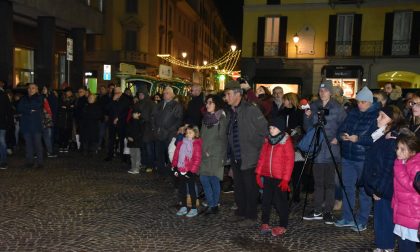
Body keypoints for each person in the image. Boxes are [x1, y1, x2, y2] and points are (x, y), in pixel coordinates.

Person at [334, 86, 380, 231]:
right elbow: (341, 129)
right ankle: (348, 218)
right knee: (347, 188)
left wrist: (358, 139)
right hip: (348, 156)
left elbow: (374, 138)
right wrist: (342, 136)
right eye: (359, 101)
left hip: (363, 158)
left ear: (370, 102)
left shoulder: (376, 116)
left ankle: (362, 220)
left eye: (363, 102)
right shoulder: (353, 112)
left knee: (364, 191)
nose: (360, 104)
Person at [224, 80, 268, 227]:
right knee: (239, 186)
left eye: (228, 94)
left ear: (238, 94)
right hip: (236, 155)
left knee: (250, 187)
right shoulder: (231, 112)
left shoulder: (250, 109)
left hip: (249, 156)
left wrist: (255, 148)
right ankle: (241, 211)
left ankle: (251, 215)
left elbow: (264, 130)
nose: (226, 98)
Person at [363, 106, 406, 252]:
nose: (377, 118)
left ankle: (387, 246)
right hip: (378, 183)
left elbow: (388, 167)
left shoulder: (392, 138)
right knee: (380, 216)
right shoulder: (382, 134)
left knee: (385, 217)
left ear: (391, 120)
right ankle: (382, 244)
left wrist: (379, 190)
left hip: (386, 186)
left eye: (382, 116)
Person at [303, 80, 346, 224]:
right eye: (321, 90)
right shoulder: (314, 106)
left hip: (332, 149)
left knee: (330, 183)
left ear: (330, 92)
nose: (323, 93)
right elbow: (307, 127)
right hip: (317, 148)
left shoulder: (338, 108)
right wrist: (307, 116)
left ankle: (328, 211)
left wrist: (339, 138)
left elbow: (345, 126)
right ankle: (317, 210)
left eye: (325, 90)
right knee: (318, 182)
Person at [256, 116, 294, 237]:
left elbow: (289, 161)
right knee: (266, 201)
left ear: (280, 129)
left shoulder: (285, 142)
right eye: (270, 127)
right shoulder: (268, 141)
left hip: (279, 178)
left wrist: (286, 179)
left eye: (273, 127)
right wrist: (258, 173)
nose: (271, 129)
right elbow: (262, 158)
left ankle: (283, 225)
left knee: (280, 202)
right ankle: (265, 222)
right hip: (268, 176)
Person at [200, 94, 228, 215]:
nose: (207, 105)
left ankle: (214, 205)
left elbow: (223, 139)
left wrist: (211, 151)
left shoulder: (221, 119)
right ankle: (212, 203)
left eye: (210, 102)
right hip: (204, 154)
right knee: (203, 179)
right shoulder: (205, 118)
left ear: (216, 104)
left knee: (213, 180)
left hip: (215, 155)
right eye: (207, 103)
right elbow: (202, 136)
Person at [392, 132, 420, 252]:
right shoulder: (402, 161)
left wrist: (399, 170)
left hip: (413, 213)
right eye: (397, 148)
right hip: (403, 211)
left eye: (403, 149)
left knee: (408, 244)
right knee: (403, 242)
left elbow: (414, 186)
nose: (398, 151)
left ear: (413, 151)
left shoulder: (415, 164)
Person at [279, 92, 305, 202]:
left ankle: (296, 195)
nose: (283, 101)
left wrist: (296, 131)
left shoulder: (300, 113)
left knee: (297, 172)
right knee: (285, 172)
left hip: (297, 147)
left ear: (290, 100)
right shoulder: (281, 113)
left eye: (285, 99)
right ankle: (285, 193)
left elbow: (304, 128)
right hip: (284, 146)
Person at [172, 125, 202, 218]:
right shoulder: (181, 143)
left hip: (190, 171)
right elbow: (176, 155)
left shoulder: (196, 144)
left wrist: (191, 171)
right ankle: (184, 206)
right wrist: (174, 166)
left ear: (195, 134)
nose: (188, 134)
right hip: (181, 169)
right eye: (187, 132)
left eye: (190, 133)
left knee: (192, 189)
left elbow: (197, 159)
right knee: (182, 189)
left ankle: (193, 208)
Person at [153, 86, 183, 176]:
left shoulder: (176, 106)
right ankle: (161, 172)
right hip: (158, 133)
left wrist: (169, 130)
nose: (164, 95)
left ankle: (170, 173)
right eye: (164, 93)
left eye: (167, 93)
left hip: (169, 134)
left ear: (172, 95)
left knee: (169, 154)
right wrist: (154, 128)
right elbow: (153, 116)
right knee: (159, 154)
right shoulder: (160, 104)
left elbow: (178, 120)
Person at [17, 83, 44, 168]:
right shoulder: (24, 98)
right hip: (26, 125)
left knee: (38, 145)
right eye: (29, 88)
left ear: (36, 89)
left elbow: (37, 105)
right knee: (28, 145)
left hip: (36, 125)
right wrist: (29, 110)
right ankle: (30, 161)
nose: (30, 89)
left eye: (33, 88)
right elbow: (19, 108)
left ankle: (40, 163)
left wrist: (26, 108)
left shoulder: (39, 97)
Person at [133, 86, 156, 173]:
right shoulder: (138, 103)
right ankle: (144, 163)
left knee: (149, 148)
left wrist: (139, 116)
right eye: (139, 94)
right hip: (141, 129)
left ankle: (150, 165)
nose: (140, 96)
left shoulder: (151, 104)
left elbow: (151, 116)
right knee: (143, 148)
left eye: (142, 94)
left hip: (148, 129)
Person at [126, 109, 145, 174]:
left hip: (137, 141)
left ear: (139, 114)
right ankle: (133, 167)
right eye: (133, 113)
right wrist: (128, 136)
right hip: (131, 140)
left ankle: (136, 168)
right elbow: (127, 129)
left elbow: (141, 132)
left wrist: (134, 138)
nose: (134, 114)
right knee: (132, 155)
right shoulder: (130, 121)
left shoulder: (141, 121)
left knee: (137, 155)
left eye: (135, 113)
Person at [57, 87, 75, 152]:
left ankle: (65, 145)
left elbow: (73, 108)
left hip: (69, 120)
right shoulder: (61, 99)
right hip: (62, 119)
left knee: (67, 133)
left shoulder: (73, 99)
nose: (69, 93)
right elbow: (60, 107)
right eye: (68, 92)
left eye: (70, 92)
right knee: (61, 132)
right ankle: (61, 145)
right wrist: (68, 107)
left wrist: (67, 108)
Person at [0, 80, 13, 169]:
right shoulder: (3, 94)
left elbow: (8, 110)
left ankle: (3, 161)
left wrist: (9, 122)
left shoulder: (3, 94)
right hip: (2, 122)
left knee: (2, 141)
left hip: (1, 122)